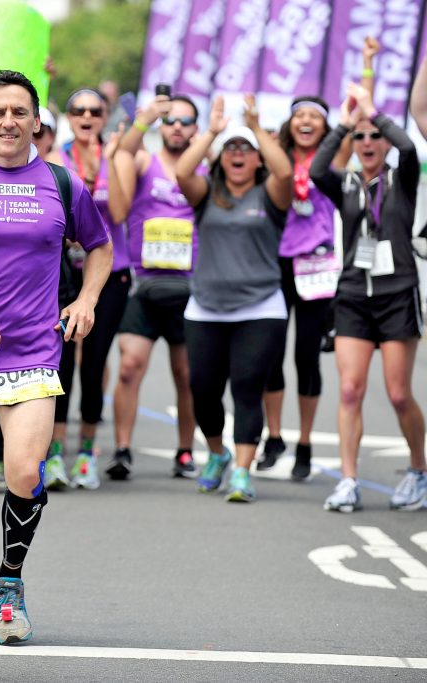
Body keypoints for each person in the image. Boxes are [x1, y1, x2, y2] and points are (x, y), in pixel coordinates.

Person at [0, 71, 111, 645]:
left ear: (37, 120)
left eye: (20, 112)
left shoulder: (62, 183)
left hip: (34, 350)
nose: (9, 122)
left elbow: (100, 245)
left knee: (21, 470)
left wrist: (86, 299)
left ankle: (10, 583)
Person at [311, 85, 426, 512]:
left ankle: (419, 470)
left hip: (397, 294)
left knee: (398, 393)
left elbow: (409, 147)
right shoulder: (345, 184)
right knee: (349, 390)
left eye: (373, 136)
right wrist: (344, 122)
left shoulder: (404, 178)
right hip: (354, 296)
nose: (367, 143)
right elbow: (318, 167)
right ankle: (348, 480)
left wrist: (374, 115)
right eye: (359, 138)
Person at [175, 94, 293, 503]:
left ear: (258, 159)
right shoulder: (206, 193)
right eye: (232, 149)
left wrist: (257, 128)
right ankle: (218, 454)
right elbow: (181, 171)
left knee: (246, 387)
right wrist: (212, 130)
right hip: (206, 306)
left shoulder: (272, 195)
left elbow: (286, 170)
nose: (239, 154)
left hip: (261, 307)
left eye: (247, 150)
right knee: (203, 389)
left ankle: (242, 470)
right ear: (221, 158)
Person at [257, 94, 350, 480]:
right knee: (270, 353)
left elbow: (354, 119)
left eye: (315, 116)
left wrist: (366, 67)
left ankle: (306, 443)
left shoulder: (334, 160)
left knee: (307, 357)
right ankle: (274, 436)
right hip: (276, 262)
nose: (307, 121)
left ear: (326, 128)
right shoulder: (276, 157)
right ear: (290, 124)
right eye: (300, 116)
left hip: (318, 267)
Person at [108, 94, 201, 478]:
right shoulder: (146, 160)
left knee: (186, 374)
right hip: (144, 283)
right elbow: (125, 154)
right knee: (130, 367)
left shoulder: (203, 166)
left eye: (185, 121)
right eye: (170, 121)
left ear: (196, 128)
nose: (177, 127)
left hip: (190, 286)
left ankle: (185, 451)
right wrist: (144, 120)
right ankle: (123, 450)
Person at [45, 87, 131, 487]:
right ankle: (57, 451)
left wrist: (110, 159)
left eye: (94, 111)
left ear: (104, 115)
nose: (86, 116)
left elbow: (118, 211)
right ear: (70, 115)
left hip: (109, 273)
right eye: (78, 109)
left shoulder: (119, 155)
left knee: (94, 363)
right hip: (63, 271)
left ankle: (87, 453)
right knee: (61, 360)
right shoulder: (53, 159)